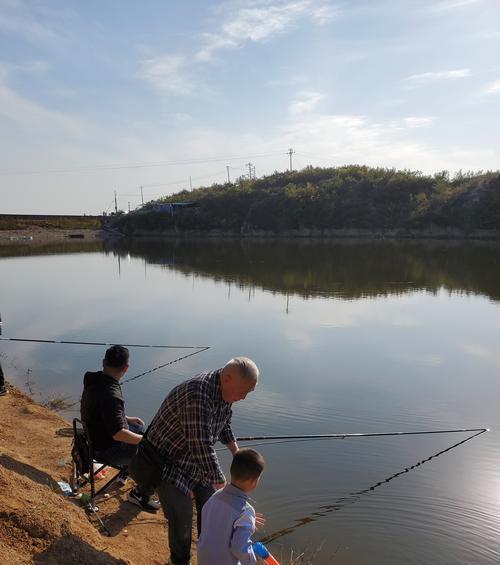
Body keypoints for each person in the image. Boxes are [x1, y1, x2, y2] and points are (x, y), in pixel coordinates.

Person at [129, 356, 259, 565]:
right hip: (167, 462)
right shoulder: (197, 394)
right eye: (243, 391)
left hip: (193, 461)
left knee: (211, 511)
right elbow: (201, 447)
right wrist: (227, 490)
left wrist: (236, 451)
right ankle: (180, 560)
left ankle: (208, 555)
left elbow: (223, 422)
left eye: (248, 393)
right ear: (227, 378)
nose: (244, 397)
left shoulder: (225, 392)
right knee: (182, 520)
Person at [80, 344, 159, 512]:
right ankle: (139, 494)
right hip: (103, 449)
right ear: (126, 368)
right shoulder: (112, 394)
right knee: (152, 453)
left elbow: (102, 411)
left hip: (90, 438)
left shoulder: (93, 379)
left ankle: (124, 473)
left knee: (139, 426)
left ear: (103, 362)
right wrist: (146, 441)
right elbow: (118, 434)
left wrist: (126, 418)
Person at [197, 448, 265, 565]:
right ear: (253, 482)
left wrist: (249, 522)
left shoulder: (215, 496)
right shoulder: (245, 512)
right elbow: (239, 547)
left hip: (204, 558)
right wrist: (252, 562)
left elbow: (217, 521)